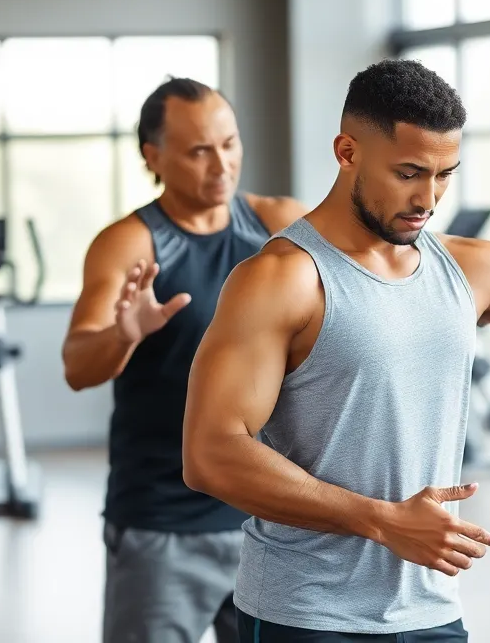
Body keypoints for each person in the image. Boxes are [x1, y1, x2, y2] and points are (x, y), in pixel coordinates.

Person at [181, 59, 490, 641]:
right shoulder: (282, 279)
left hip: (431, 613)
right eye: (409, 173)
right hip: (303, 615)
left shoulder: (472, 269)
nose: (428, 198)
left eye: (445, 174)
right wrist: (380, 521)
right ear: (347, 151)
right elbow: (210, 453)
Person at [62, 77, 308, 643]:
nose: (221, 166)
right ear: (153, 157)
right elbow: (77, 365)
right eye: (199, 151)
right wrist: (124, 333)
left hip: (267, 518)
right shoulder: (131, 244)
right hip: (163, 526)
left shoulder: (277, 223)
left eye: (229, 144)